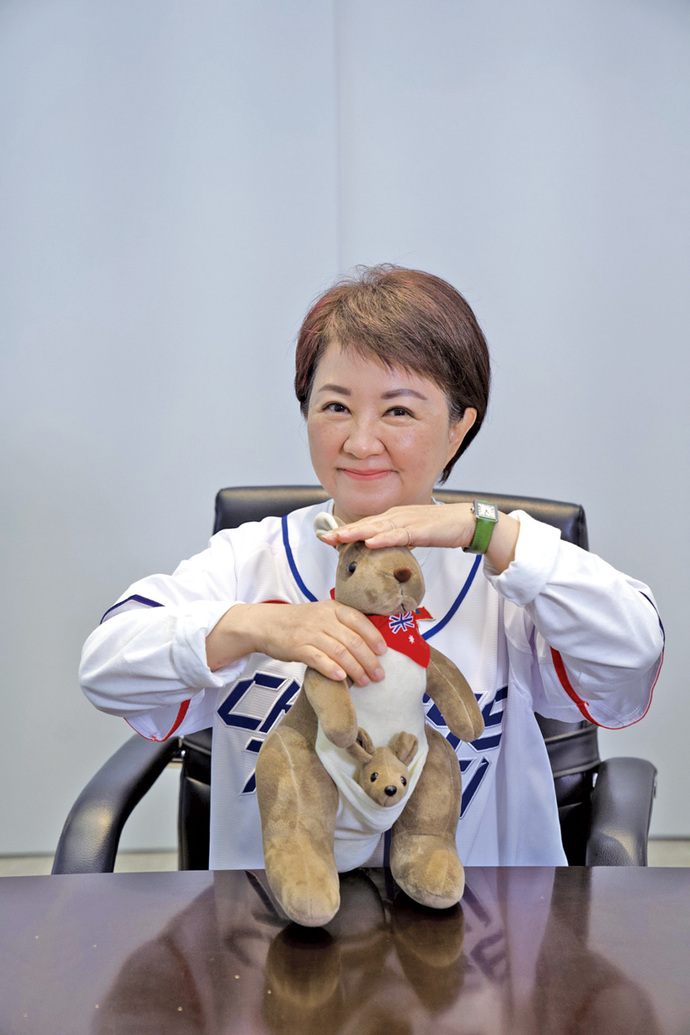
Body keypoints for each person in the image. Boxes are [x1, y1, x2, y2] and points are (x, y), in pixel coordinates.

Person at [80, 265, 664, 870]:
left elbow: (632, 657)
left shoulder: (504, 570)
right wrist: (254, 627)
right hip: (274, 915)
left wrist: (487, 530)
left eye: (399, 412)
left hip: (477, 915)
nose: (360, 443)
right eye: (336, 405)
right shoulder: (251, 558)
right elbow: (104, 669)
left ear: (458, 430)